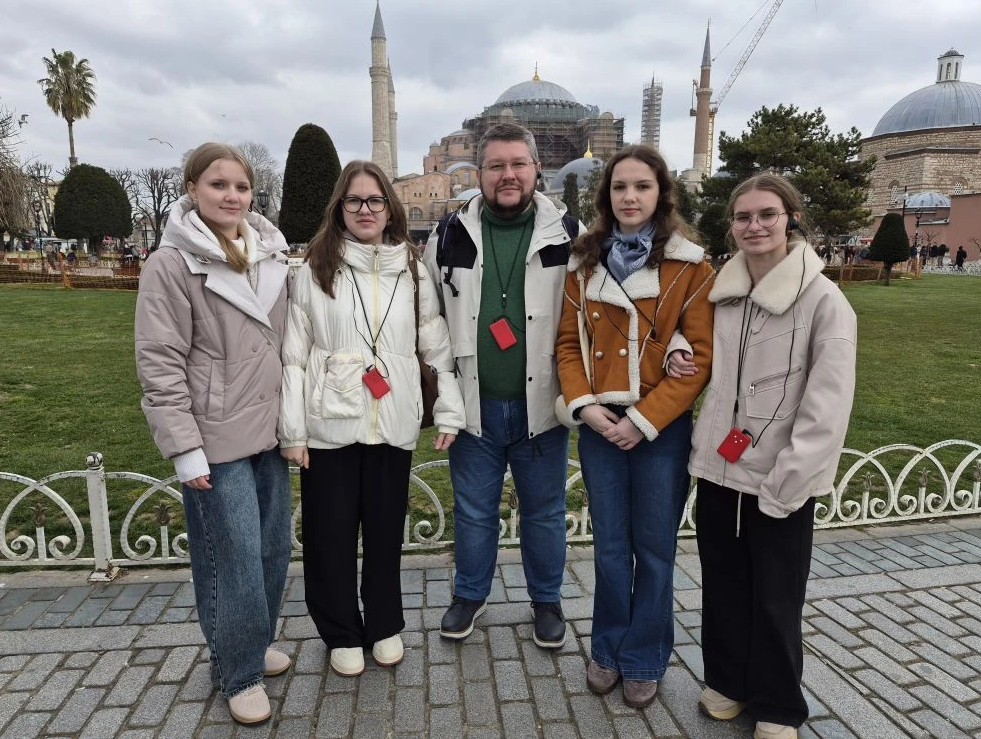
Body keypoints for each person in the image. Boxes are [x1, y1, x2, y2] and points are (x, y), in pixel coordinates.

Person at [687, 174, 857, 739]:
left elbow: (827, 406)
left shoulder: (823, 301)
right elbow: (708, 361)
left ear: (790, 218)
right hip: (719, 469)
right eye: (743, 217)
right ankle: (729, 681)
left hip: (778, 479)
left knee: (777, 596)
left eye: (767, 214)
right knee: (725, 586)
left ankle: (780, 703)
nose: (754, 226)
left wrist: (789, 481)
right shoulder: (723, 293)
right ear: (731, 226)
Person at [279, 161, 465, 677]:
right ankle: (340, 629)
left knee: (385, 533)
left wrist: (448, 410)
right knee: (330, 534)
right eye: (355, 200)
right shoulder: (315, 267)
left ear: (390, 208)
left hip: (393, 416)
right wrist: (293, 433)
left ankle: (383, 623)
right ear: (340, 207)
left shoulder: (410, 266)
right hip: (330, 419)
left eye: (375, 200)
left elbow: (435, 344)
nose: (365, 210)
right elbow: (294, 355)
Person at [135, 143, 292, 725]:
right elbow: (160, 361)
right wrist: (183, 448)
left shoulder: (269, 252)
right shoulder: (172, 264)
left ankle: (245, 645)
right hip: (215, 439)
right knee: (233, 560)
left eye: (241, 187)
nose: (232, 196)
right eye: (219, 185)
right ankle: (238, 671)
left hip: (270, 432)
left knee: (272, 551)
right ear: (193, 189)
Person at [554, 144, 715, 709]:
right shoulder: (584, 262)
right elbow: (569, 346)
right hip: (600, 425)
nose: (630, 197)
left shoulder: (690, 265)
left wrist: (643, 421)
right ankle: (606, 647)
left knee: (654, 548)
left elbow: (699, 355)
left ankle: (645, 656)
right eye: (620, 187)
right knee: (608, 548)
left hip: (660, 429)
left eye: (641, 187)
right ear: (607, 196)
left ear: (660, 193)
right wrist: (585, 407)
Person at [423, 122, 582, 649]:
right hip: (475, 405)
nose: (508, 175)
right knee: (473, 512)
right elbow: (429, 319)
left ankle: (546, 600)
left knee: (544, 513)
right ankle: (469, 594)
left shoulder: (569, 234)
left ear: (536, 169)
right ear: (481, 173)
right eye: (496, 166)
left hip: (542, 405)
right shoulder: (450, 233)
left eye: (518, 164)